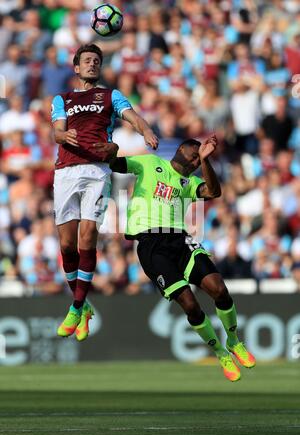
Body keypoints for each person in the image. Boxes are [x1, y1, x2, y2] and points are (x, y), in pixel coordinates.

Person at [110, 135, 255, 382]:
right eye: (195, 151)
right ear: (180, 148)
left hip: (180, 240)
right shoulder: (149, 163)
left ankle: (233, 341)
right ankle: (220, 353)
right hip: (151, 246)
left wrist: (207, 161)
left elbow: (214, 191)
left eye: (200, 157)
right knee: (189, 304)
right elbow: (115, 164)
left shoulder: (189, 182)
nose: (197, 156)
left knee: (218, 289)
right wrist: (108, 149)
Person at [52, 43, 158, 341]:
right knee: (66, 244)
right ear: (76, 67)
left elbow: (133, 116)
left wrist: (146, 131)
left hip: (97, 170)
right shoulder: (63, 98)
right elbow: (57, 131)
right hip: (66, 171)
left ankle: (75, 306)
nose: (92, 64)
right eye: (86, 60)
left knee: (88, 237)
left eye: (96, 60)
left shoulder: (110, 96)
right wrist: (64, 134)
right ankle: (83, 305)